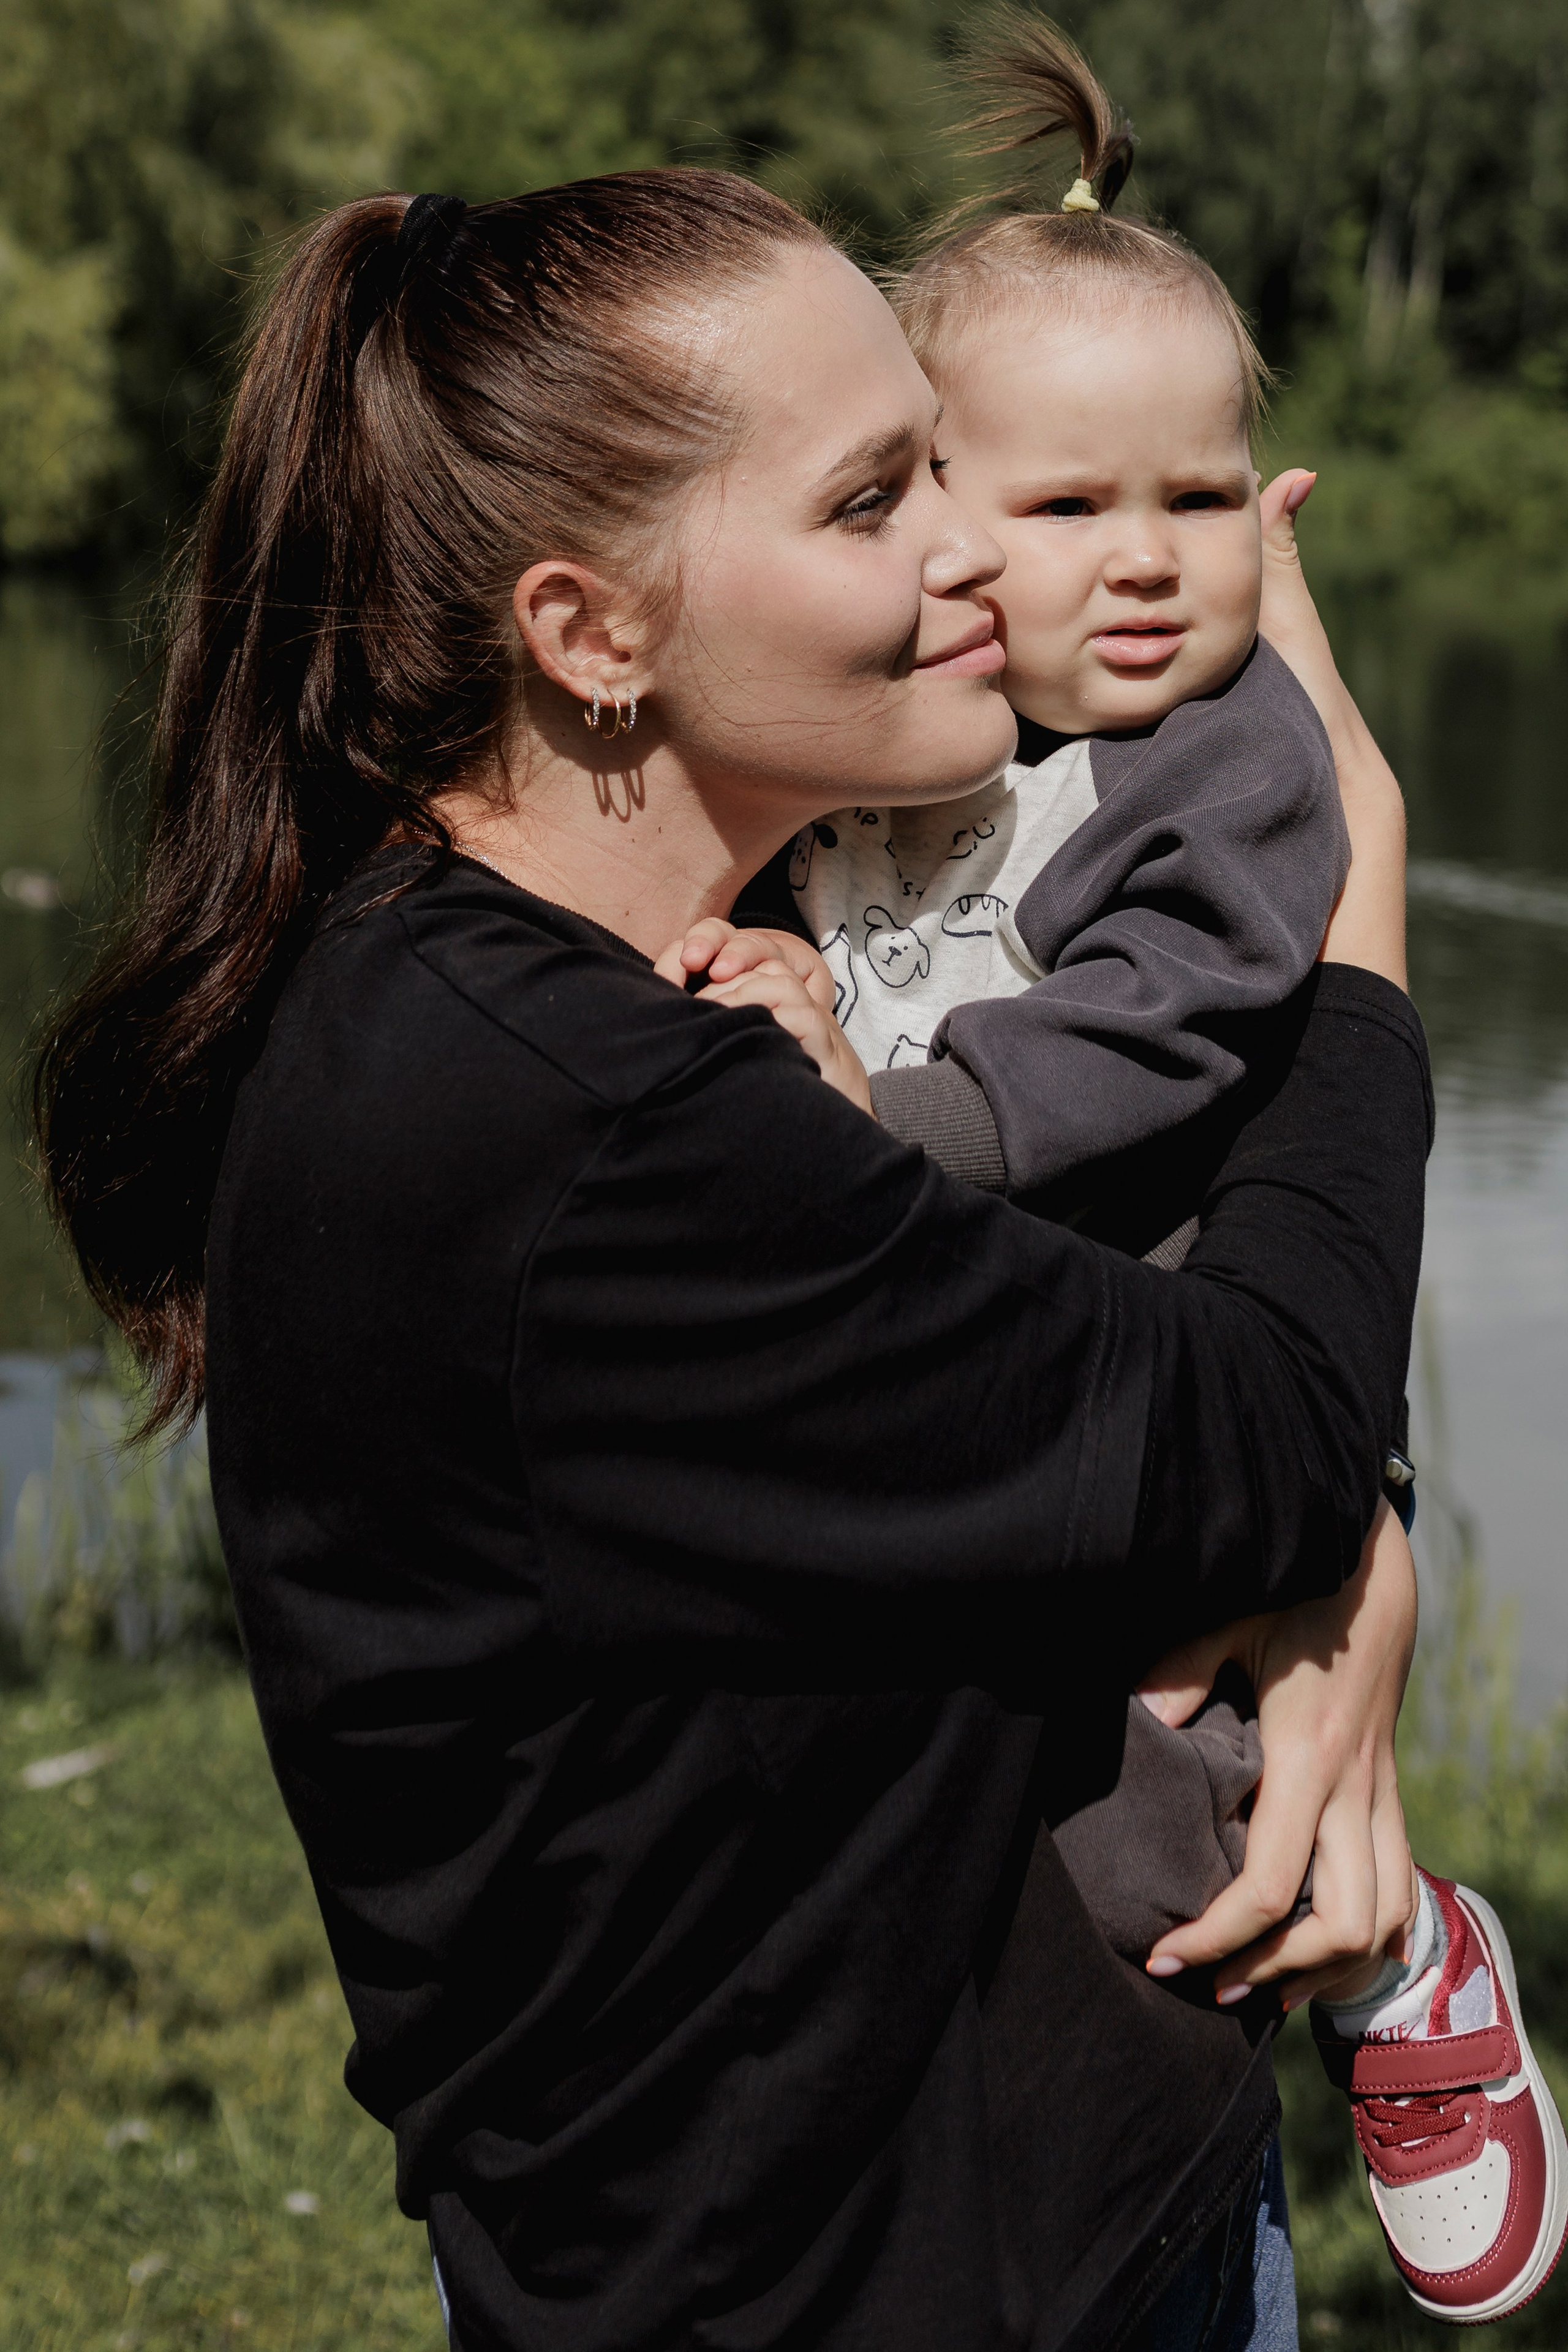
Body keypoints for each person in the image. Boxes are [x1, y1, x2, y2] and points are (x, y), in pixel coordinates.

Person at [34, 172, 1427, 2351]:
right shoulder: (611, 1141)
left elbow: (1120, 1454)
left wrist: (1335, 1523)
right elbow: (1261, 1436)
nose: (978, 551)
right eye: (881, 500)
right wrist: (1360, 945)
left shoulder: (481, 999)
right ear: (593, 635)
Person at [677, 28, 1568, 2327]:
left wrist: (893, 1121)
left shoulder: (1225, 752)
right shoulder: (871, 740)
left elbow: (1163, 1020)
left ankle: (1387, 1957)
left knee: (1166, 1784)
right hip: (968, 1404)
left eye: (1200, 496)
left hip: (1158, 1354)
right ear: (926, 506)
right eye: (1070, 510)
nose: (1151, 564)